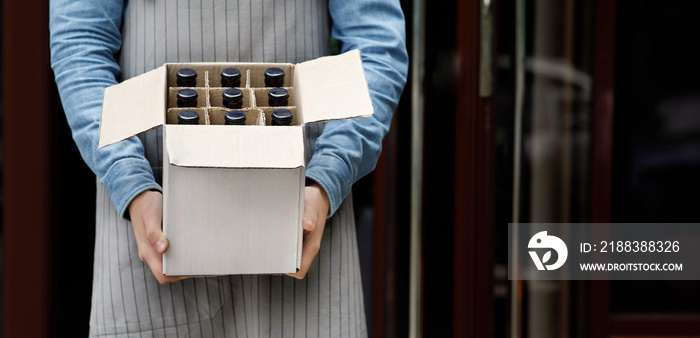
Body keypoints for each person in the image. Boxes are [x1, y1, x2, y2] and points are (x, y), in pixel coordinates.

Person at [50, 0, 408, 336]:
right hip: (151, 226)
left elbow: (376, 45)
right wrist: (132, 183)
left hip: (308, 218)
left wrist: (328, 174)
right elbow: (81, 45)